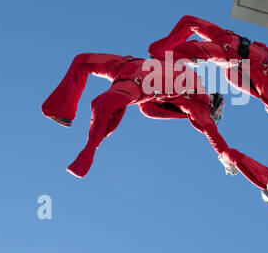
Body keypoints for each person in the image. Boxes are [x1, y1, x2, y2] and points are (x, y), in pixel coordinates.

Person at [42, 52, 227, 177]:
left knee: (102, 107)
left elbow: (211, 132)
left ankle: (86, 156)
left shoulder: (194, 105)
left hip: (134, 83)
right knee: (81, 61)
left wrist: (226, 157)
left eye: (216, 110)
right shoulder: (189, 75)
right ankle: (60, 110)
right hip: (125, 65)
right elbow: (171, 51)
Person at [147, 15, 268, 116]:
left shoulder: (265, 86)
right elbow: (263, 47)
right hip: (225, 36)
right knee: (188, 21)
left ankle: (165, 60)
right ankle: (161, 53)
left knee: (185, 50)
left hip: (227, 53)